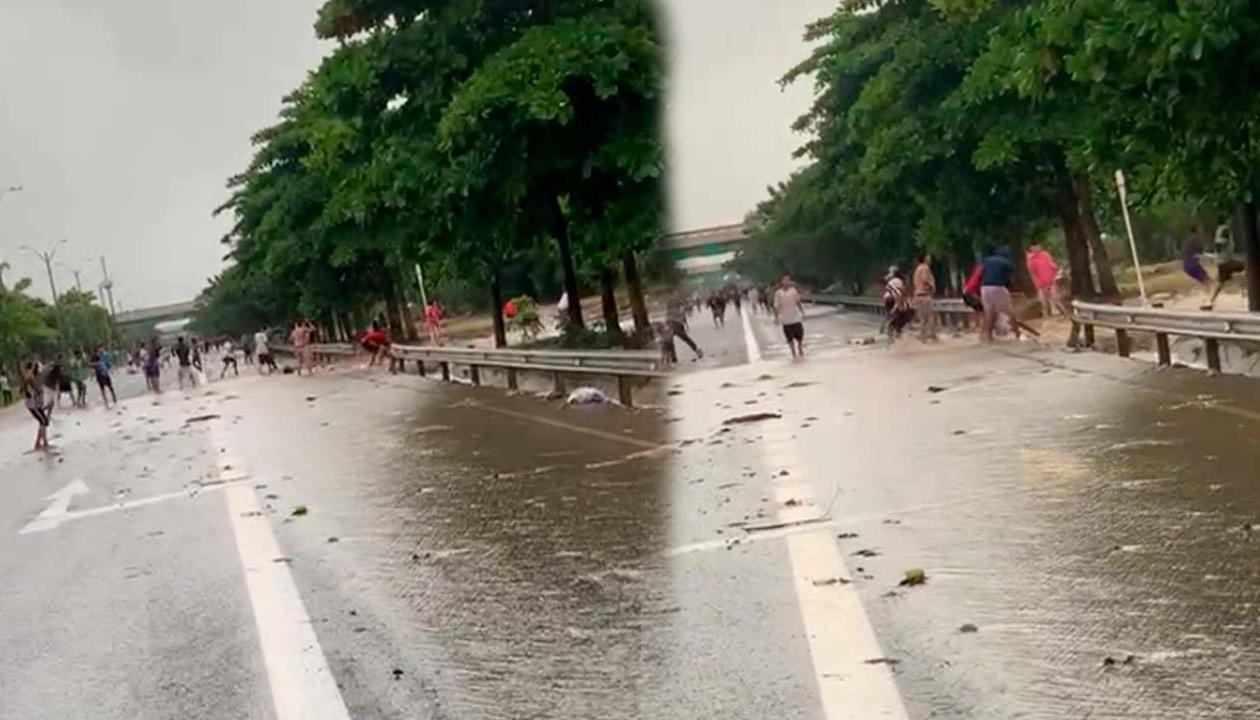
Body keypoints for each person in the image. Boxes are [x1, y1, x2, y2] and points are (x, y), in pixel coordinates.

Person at [979, 247, 1021, 342]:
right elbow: (1009, 279)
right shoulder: (1007, 263)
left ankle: (988, 336)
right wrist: (1012, 289)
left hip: (985, 287)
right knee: (1010, 311)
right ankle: (1018, 333)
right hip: (998, 287)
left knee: (989, 312)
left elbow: (981, 273)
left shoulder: (987, 260)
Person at [1209, 224, 1245, 308]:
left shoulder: (1221, 232)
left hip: (1223, 262)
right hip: (1226, 262)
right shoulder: (1224, 231)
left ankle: (1211, 300)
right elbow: (1219, 244)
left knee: (1221, 283)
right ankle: (1246, 294)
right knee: (1249, 267)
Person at [773, 274, 806, 359]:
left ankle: (800, 347)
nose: (786, 282)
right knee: (789, 338)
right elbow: (776, 306)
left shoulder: (794, 291)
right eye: (784, 280)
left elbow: (798, 302)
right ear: (781, 282)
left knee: (800, 334)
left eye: (788, 280)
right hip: (786, 319)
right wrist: (776, 318)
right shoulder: (778, 293)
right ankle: (793, 353)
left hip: (795, 317)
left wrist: (802, 311)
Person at [1025, 243, 1062, 318]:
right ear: (1031, 248)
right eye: (1034, 247)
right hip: (1040, 281)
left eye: (1038, 246)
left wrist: (1056, 271)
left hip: (1050, 278)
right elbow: (1031, 270)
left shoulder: (1045, 255)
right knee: (1044, 297)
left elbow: (1052, 264)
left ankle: (1054, 311)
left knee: (1053, 296)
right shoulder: (1031, 258)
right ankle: (1045, 313)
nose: (1037, 248)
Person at [22, 362, 51, 452]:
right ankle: (42, 443)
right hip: (33, 405)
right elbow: (29, 389)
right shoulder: (31, 379)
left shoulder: (35, 379)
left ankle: (39, 443)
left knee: (43, 421)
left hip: (36, 405)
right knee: (43, 421)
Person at [667, 295, 704, 361]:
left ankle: (673, 358)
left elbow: (679, 315)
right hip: (675, 324)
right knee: (684, 339)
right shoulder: (678, 308)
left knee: (672, 341)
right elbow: (681, 314)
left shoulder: (675, 309)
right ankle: (673, 357)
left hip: (674, 324)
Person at [883, 266, 914, 340]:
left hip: (890, 299)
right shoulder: (897, 281)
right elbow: (900, 292)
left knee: (895, 315)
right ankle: (896, 332)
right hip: (893, 299)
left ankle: (893, 332)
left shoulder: (893, 280)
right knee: (900, 315)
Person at [912, 252, 937, 341]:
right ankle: (931, 336)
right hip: (925, 295)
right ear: (925, 258)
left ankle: (923, 336)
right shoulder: (925, 267)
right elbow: (925, 279)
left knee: (923, 318)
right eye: (928, 257)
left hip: (918, 295)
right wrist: (931, 286)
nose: (930, 259)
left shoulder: (917, 269)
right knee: (930, 316)